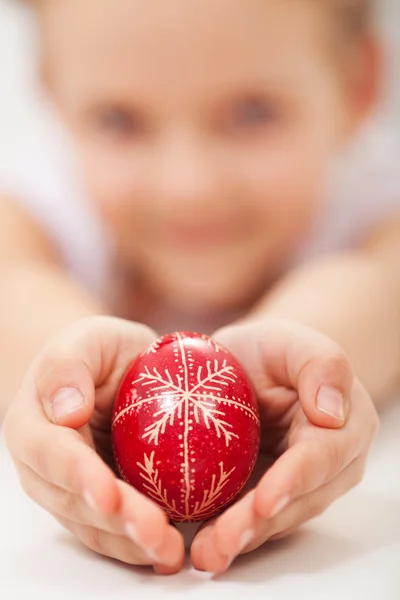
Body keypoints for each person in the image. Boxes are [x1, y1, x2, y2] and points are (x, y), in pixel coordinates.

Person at [1, 0, 399, 577]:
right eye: (119, 119)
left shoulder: (371, 199)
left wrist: (300, 360)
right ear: (53, 96)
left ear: (360, 84)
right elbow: (12, 283)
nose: (188, 186)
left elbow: (380, 289)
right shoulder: (46, 200)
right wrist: (67, 365)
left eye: (252, 112)